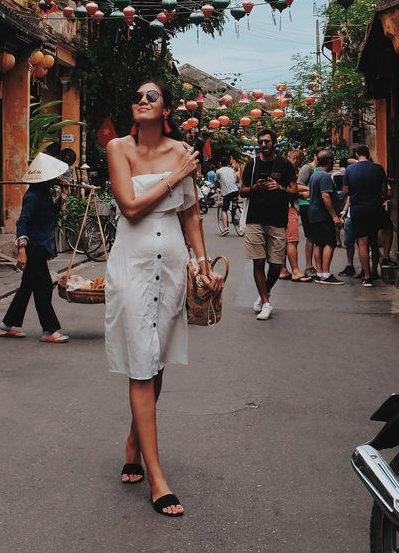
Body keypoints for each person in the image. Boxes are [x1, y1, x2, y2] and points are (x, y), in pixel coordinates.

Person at [105, 80, 224, 517]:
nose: (141, 100)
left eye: (151, 96)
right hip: (132, 267)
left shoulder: (182, 150)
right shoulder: (120, 149)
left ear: (166, 109)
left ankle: (135, 439)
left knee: (155, 360)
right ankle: (158, 478)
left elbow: (191, 213)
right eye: (136, 96)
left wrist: (203, 263)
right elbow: (130, 206)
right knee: (140, 362)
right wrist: (176, 176)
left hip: (172, 267)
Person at [0, 153, 70, 343]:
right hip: (34, 249)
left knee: (27, 287)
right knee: (43, 287)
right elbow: (22, 223)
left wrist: (63, 195)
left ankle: (8, 324)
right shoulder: (33, 196)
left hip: (40, 246)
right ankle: (49, 330)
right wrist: (22, 251)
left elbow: (51, 214)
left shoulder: (44, 193)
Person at [240, 129, 298, 319]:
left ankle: (264, 293)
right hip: (255, 219)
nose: (263, 145)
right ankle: (266, 303)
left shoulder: (285, 164)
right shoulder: (252, 163)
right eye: (261, 142)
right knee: (258, 262)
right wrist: (255, 188)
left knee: (275, 264)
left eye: (267, 142)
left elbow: (294, 190)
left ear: (274, 143)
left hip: (277, 220)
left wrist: (280, 188)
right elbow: (243, 191)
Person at [342, 145, 393, 289]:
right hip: (375, 207)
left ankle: (367, 276)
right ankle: (383, 260)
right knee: (379, 235)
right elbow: (384, 190)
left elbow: (345, 191)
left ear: (357, 154)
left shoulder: (350, 170)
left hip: (358, 209)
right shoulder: (378, 168)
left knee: (362, 242)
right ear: (368, 154)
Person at [307, 149, 345, 285]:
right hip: (323, 215)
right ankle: (325, 274)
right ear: (329, 162)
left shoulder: (314, 175)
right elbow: (325, 196)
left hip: (314, 214)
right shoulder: (324, 176)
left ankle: (319, 272)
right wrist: (334, 216)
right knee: (330, 242)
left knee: (319, 243)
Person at [285, 150, 312, 282]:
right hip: (289, 208)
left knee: (283, 242)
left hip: (283, 208)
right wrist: (305, 191)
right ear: (295, 159)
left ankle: (283, 270)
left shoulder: (283, 168)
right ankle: (295, 271)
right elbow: (292, 188)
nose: (299, 166)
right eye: (299, 163)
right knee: (292, 241)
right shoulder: (288, 170)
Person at [297, 147, 322, 277]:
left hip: (319, 206)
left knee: (318, 235)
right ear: (315, 156)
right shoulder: (308, 168)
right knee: (311, 236)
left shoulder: (323, 169)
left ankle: (320, 266)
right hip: (306, 205)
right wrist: (313, 188)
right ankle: (308, 265)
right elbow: (298, 185)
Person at [338, 155, 358, 277]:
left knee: (363, 243)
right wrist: (345, 211)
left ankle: (366, 271)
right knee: (349, 242)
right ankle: (350, 265)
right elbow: (349, 197)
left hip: (358, 213)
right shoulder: (352, 177)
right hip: (351, 213)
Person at [215, 156, 239, 236]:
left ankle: (225, 228)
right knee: (234, 204)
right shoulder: (232, 170)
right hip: (236, 191)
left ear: (220, 163)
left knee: (224, 210)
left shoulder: (218, 171)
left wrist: (216, 189)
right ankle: (234, 216)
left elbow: (216, 182)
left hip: (227, 193)